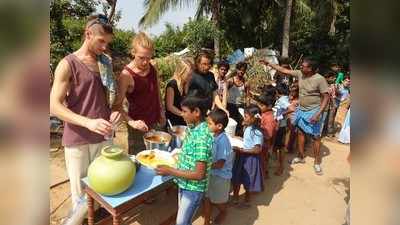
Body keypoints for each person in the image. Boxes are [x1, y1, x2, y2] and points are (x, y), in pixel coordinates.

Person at [50, 14, 121, 210]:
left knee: (102, 187)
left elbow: (108, 98)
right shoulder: (68, 64)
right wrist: (88, 122)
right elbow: (53, 106)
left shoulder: (105, 62)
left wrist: (115, 111)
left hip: (104, 136)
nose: (105, 46)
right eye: (101, 41)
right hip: (78, 138)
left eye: (108, 42)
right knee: (81, 196)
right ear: (88, 34)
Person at [260, 57, 329, 175]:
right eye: (301, 66)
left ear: (311, 69)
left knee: (316, 137)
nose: (301, 67)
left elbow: (326, 97)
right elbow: (283, 70)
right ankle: (301, 156)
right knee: (300, 132)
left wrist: (318, 113)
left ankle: (317, 162)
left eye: (304, 66)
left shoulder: (320, 79)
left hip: (314, 111)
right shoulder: (300, 74)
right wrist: (269, 64)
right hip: (301, 110)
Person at [155, 95, 213, 225]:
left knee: (181, 222)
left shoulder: (202, 138)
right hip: (184, 183)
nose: (182, 114)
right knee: (184, 220)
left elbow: (199, 174)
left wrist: (170, 170)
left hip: (193, 189)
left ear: (196, 112)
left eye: (185, 111)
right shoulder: (193, 129)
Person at [113, 32, 166, 154]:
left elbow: (157, 91)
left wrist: (162, 112)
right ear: (133, 53)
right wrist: (132, 122)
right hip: (138, 128)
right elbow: (117, 105)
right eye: (141, 58)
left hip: (156, 122)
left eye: (148, 58)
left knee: (158, 157)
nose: (145, 62)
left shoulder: (153, 67)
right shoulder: (126, 75)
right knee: (139, 161)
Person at [203, 109, 233, 225]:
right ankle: (206, 221)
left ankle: (224, 211)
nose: (207, 125)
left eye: (210, 123)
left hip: (221, 176)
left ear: (219, 126)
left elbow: (220, 164)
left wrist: (205, 166)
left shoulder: (223, 141)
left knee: (217, 200)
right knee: (207, 198)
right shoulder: (214, 135)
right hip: (211, 173)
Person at [231, 104, 264, 207]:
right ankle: (235, 198)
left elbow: (257, 149)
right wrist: (236, 138)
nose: (243, 118)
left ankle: (247, 200)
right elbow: (247, 141)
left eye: (246, 116)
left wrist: (242, 150)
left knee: (247, 180)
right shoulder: (248, 128)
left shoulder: (257, 132)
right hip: (241, 157)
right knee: (236, 178)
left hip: (250, 160)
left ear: (254, 118)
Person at [165, 59, 193, 126]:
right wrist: (183, 114)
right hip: (173, 121)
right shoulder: (172, 84)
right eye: (188, 74)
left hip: (183, 119)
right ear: (181, 72)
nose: (190, 77)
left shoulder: (185, 84)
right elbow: (169, 106)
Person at [256, 94, 277, 179]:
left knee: (262, 160)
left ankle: (262, 176)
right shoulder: (265, 114)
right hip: (263, 143)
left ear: (269, 106)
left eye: (261, 105)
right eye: (259, 104)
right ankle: (265, 173)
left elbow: (268, 134)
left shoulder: (269, 118)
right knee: (264, 160)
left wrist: (258, 128)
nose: (259, 107)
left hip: (264, 143)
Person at [226, 62, 249, 136]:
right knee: (230, 124)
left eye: (243, 70)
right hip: (230, 106)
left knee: (240, 124)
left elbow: (247, 96)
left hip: (240, 106)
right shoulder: (230, 81)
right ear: (237, 70)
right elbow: (224, 93)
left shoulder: (245, 83)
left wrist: (247, 108)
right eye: (240, 70)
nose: (241, 72)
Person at [286, 84, 299, 153]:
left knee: (292, 133)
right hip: (289, 117)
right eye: (291, 91)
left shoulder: (298, 100)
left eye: (294, 91)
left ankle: (290, 148)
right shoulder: (291, 98)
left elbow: (293, 110)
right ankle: (288, 146)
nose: (292, 93)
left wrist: (284, 113)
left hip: (293, 118)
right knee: (289, 132)